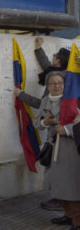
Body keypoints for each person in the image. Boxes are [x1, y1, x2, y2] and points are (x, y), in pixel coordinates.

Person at [14, 37, 70, 211]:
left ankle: (60, 201)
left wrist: (21, 94)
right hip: (56, 132)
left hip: (61, 134)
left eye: (55, 57)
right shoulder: (60, 75)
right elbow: (48, 67)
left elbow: (41, 103)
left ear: (59, 62)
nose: (55, 85)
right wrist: (38, 49)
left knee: (56, 168)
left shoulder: (63, 82)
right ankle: (63, 203)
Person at [33, 71, 80, 229]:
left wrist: (66, 129)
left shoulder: (74, 100)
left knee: (71, 187)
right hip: (54, 148)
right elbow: (36, 122)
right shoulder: (45, 100)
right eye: (53, 83)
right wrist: (46, 122)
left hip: (71, 149)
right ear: (48, 86)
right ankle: (68, 215)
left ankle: (77, 221)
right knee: (57, 186)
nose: (57, 86)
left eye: (60, 82)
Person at [14, 37, 70, 109]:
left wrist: (20, 94)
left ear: (58, 60)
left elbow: (43, 105)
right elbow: (46, 65)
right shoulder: (63, 74)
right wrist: (38, 48)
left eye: (54, 55)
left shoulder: (56, 81)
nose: (52, 57)